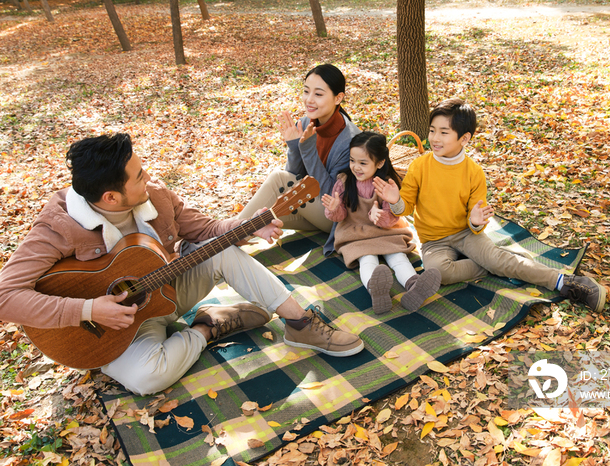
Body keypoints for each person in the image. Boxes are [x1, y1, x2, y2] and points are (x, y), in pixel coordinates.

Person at [0, 133, 364, 396]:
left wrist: (249, 226)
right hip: (109, 330)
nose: (148, 177)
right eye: (138, 176)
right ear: (110, 196)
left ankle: (299, 323)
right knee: (147, 380)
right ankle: (209, 328)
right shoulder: (58, 227)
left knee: (221, 250)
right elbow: (5, 296)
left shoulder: (156, 196)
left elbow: (206, 231)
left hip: (169, 291)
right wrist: (90, 308)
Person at [373, 99, 606, 312]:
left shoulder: (473, 172)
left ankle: (565, 282)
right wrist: (396, 201)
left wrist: (474, 222)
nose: (434, 138)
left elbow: (477, 224)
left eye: (444, 132)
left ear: (464, 138)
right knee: (439, 273)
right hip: (434, 240)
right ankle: (488, 265)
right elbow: (407, 208)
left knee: (500, 259)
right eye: (432, 130)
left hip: (465, 234)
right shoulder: (419, 166)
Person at [239, 64, 361, 256]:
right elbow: (294, 177)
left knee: (278, 179)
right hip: (311, 209)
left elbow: (330, 194)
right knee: (261, 216)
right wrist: (295, 148)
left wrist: (307, 150)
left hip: (337, 217)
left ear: (338, 98)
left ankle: (225, 235)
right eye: (306, 91)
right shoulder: (306, 123)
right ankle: (227, 239)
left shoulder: (351, 141)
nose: (309, 100)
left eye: (318, 94)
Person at [322, 132, 441, 314]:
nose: (356, 167)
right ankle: (375, 289)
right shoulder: (344, 182)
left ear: (379, 163)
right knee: (367, 259)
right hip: (356, 234)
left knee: (398, 257)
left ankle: (415, 286)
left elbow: (392, 217)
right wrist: (335, 208)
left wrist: (381, 216)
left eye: (363, 163)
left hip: (386, 232)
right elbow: (340, 217)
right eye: (352, 160)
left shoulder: (387, 185)